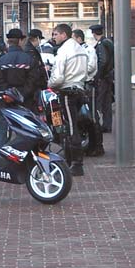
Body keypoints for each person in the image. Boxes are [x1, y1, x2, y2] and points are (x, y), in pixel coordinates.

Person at [47, 24, 89, 176]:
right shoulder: (81, 49)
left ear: (64, 34)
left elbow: (57, 77)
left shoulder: (63, 51)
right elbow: (90, 69)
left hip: (67, 92)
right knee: (73, 124)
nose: (54, 37)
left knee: (70, 127)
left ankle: (76, 163)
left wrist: (49, 83)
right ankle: (71, 159)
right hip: (79, 89)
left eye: (55, 34)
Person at [73, 29, 103, 157]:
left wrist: (77, 71)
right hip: (79, 86)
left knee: (92, 115)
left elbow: (91, 67)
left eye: (73, 38)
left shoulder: (89, 50)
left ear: (79, 38)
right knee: (83, 116)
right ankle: (89, 144)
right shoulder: (76, 50)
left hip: (88, 85)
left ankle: (97, 146)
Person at [90, 24, 114, 133]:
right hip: (109, 76)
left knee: (98, 102)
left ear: (94, 33)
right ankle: (107, 125)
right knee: (107, 102)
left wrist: (97, 75)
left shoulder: (101, 45)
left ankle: (97, 125)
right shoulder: (109, 42)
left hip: (103, 77)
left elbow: (102, 61)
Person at [24, 28, 50, 98]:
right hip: (34, 86)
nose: (40, 42)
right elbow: (34, 69)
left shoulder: (30, 49)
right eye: (40, 39)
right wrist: (44, 69)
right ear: (36, 39)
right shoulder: (31, 52)